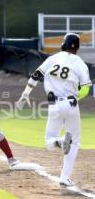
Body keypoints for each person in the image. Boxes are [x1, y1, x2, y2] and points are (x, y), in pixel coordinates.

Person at [16, 33, 92, 187]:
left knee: (49, 141)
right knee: (75, 142)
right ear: (77, 47)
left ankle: (59, 141)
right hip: (71, 105)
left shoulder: (53, 58)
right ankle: (64, 177)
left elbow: (36, 75)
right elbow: (85, 88)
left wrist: (25, 94)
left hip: (54, 106)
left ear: (63, 44)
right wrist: (76, 98)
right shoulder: (80, 63)